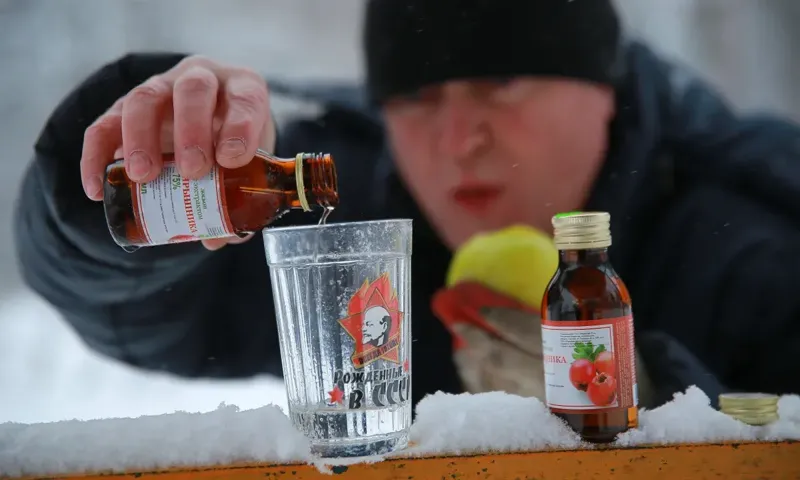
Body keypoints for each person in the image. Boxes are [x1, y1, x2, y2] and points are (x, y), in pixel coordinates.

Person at [14, 0, 800, 410]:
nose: (460, 140)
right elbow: (148, 318)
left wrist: (658, 410)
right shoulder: (351, 214)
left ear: (602, 91)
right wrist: (121, 182)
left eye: (501, 84)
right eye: (419, 98)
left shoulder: (753, 228)